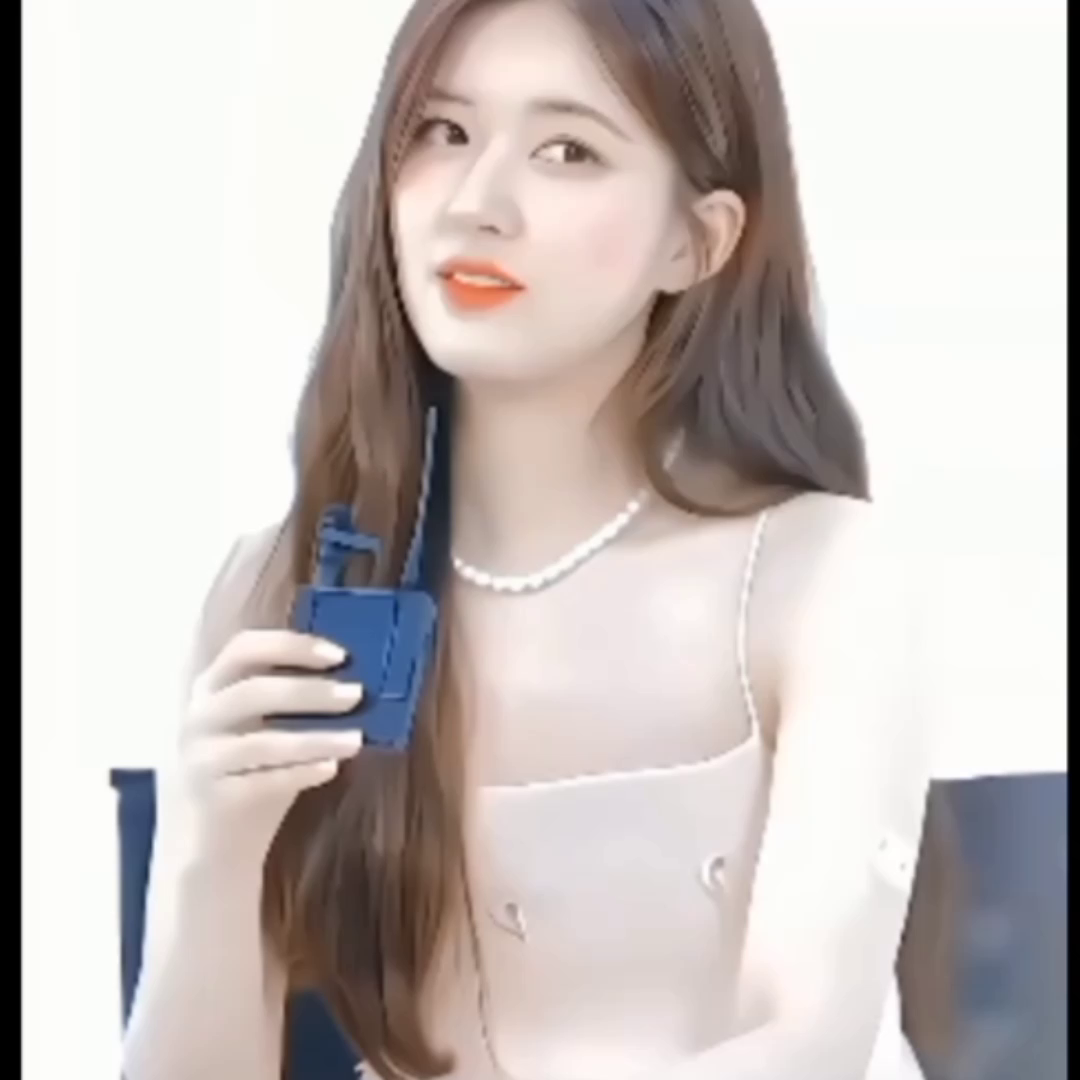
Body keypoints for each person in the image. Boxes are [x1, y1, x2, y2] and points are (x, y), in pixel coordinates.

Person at [121, 1, 939, 1078]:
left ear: (699, 240)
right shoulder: (275, 592)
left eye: (567, 151)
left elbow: (806, 1045)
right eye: (443, 131)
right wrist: (208, 851)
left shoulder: (818, 579)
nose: (476, 202)